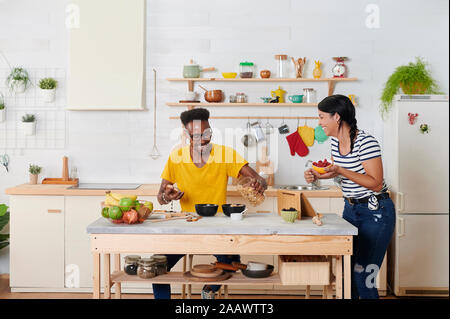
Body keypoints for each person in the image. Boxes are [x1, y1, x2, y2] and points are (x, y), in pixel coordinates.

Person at [153, 108, 267, 299]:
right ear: (186, 134)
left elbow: (260, 180)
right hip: (185, 225)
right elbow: (160, 197)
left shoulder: (225, 154)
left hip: (217, 226)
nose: (204, 139)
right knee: (156, 267)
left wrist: (259, 184)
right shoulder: (176, 157)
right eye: (197, 135)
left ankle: (208, 291)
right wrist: (168, 196)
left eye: (208, 133)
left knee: (232, 264)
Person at [304, 95, 395, 299]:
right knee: (347, 275)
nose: (319, 123)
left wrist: (341, 170)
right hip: (351, 210)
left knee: (364, 275)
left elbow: (375, 182)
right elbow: (340, 175)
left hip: (376, 213)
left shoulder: (366, 142)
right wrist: (317, 176)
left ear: (336, 117)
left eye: (321, 117)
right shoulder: (336, 144)